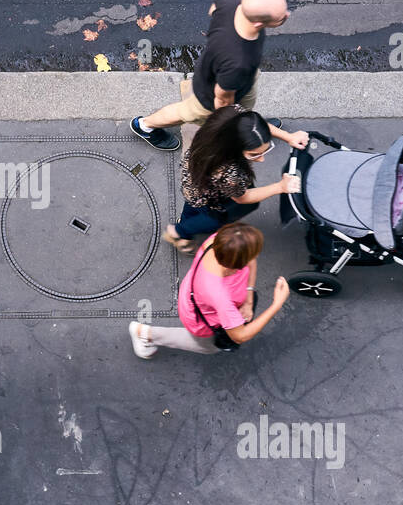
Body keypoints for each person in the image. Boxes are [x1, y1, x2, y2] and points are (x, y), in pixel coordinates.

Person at [130, 0, 306, 152]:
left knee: (245, 106)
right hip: (212, 95)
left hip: (236, 80)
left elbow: (214, 8)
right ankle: (145, 126)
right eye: (281, 17)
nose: (287, 15)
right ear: (259, 24)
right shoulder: (238, 61)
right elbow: (224, 105)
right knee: (185, 112)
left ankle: (253, 126)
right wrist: (238, 123)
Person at [128, 222, 290, 357]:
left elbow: (251, 259)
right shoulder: (220, 296)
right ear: (236, 265)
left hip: (193, 295)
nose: (255, 256)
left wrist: (248, 298)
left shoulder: (222, 242)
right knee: (208, 346)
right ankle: (145, 334)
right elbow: (240, 336)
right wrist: (277, 304)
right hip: (202, 321)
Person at [162, 105, 301, 253]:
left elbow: (255, 126)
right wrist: (280, 187)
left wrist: (289, 137)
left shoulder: (232, 116)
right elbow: (243, 198)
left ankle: (184, 221)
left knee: (192, 204)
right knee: (215, 218)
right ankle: (179, 232)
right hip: (211, 195)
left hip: (193, 178)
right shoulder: (230, 172)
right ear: (234, 148)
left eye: (265, 150)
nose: (261, 159)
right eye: (254, 154)